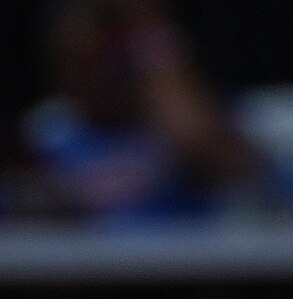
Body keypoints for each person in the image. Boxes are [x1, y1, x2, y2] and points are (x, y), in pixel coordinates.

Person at [11, 0, 264, 211]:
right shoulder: (44, 132)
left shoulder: (199, 116)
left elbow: (230, 167)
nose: (108, 54)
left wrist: (154, 42)